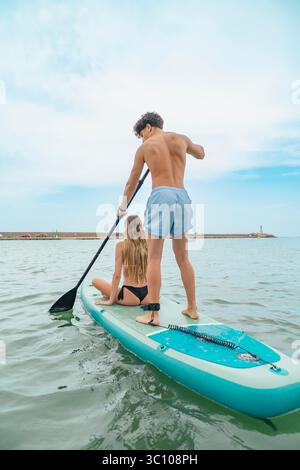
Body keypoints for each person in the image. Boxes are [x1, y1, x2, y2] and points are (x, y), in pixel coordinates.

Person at [117, 112, 205, 326]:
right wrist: (187, 147)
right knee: (183, 258)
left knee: (153, 258)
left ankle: (153, 314)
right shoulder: (181, 139)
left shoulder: (145, 148)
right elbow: (201, 153)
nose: (142, 139)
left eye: (141, 135)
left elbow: (131, 183)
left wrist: (122, 207)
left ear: (148, 127)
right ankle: (192, 308)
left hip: (161, 195)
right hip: (182, 196)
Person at [92, 215, 150, 306]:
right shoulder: (147, 244)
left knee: (95, 281)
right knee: (107, 290)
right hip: (147, 295)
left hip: (129, 296)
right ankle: (107, 293)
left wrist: (110, 301)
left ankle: (108, 295)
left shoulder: (121, 246)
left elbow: (117, 275)